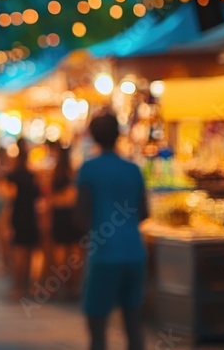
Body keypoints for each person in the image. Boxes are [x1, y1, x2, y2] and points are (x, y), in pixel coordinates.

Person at [76, 113, 148, 350]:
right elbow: (144, 211)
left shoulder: (89, 169)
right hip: (134, 253)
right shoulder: (133, 169)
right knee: (134, 326)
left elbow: (81, 216)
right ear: (118, 134)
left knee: (97, 329)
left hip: (104, 254)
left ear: (93, 136)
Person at [3, 139, 40, 300]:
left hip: (18, 215)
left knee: (18, 252)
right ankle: (28, 286)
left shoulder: (13, 175)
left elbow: (10, 198)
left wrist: (6, 221)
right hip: (31, 215)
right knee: (30, 253)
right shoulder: (33, 175)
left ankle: (18, 287)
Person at [49, 146, 83, 300]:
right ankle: (74, 286)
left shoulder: (54, 173)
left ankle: (61, 286)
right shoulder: (74, 173)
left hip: (59, 216)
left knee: (60, 252)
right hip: (73, 215)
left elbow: (50, 198)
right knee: (75, 254)